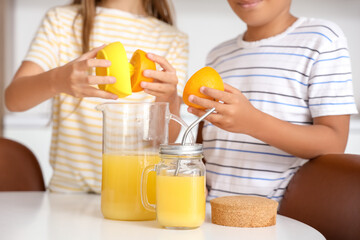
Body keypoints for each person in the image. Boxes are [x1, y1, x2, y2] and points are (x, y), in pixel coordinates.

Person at [5, 0, 188, 193]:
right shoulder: (61, 20)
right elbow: (13, 100)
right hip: (67, 198)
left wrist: (169, 99)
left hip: (136, 196)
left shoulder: (173, 39)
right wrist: (57, 80)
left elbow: (166, 140)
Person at [187, 0, 358, 203]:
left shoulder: (322, 39)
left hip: (279, 218)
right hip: (212, 214)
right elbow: (204, 143)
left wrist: (253, 123)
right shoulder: (218, 56)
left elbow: (334, 141)